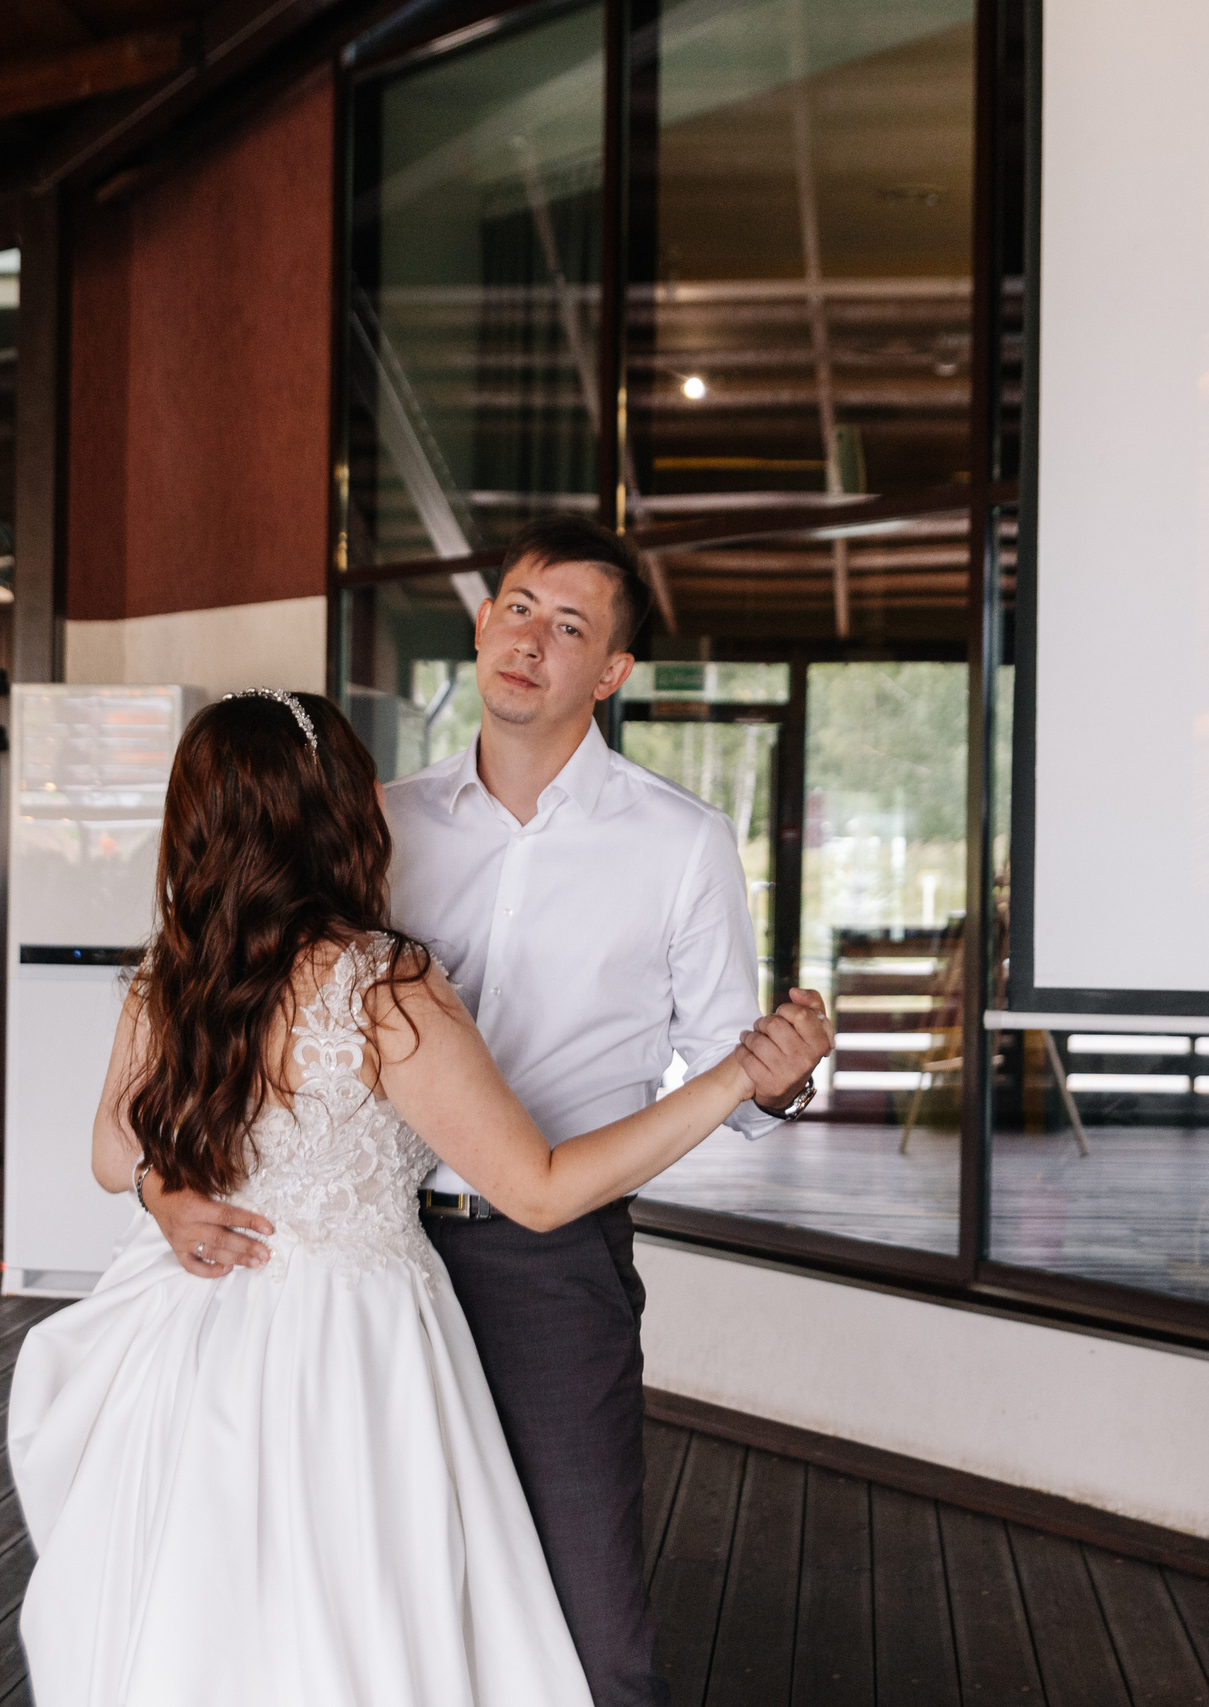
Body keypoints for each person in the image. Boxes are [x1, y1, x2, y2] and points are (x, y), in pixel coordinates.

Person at [142, 516, 831, 1705]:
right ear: (482, 623)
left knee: (587, 1611)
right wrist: (168, 1188)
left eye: (569, 627)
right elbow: (238, 1017)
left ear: (609, 673)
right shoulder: (377, 825)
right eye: (517, 606)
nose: (530, 640)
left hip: (548, 1262)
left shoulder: (682, 844)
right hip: (352, 1269)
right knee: (382, 1600)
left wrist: (778, 1076)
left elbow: (739, 1072)